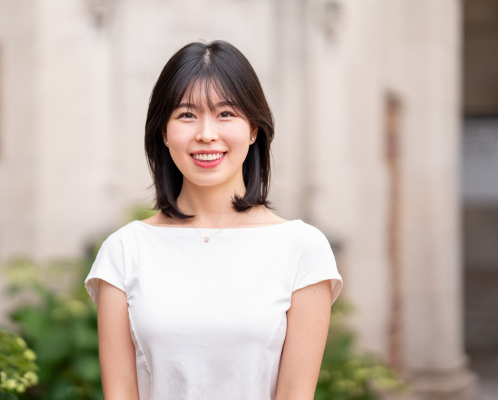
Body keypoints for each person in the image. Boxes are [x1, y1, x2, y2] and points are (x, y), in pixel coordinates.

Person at [85, 40, 343, 400]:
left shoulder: (302, 249)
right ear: (163, 131)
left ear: (254, 129)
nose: (206, 133)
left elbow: (295, 395)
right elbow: (121, 394)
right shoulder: (124, 251)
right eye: (186, 115)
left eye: (226, 114)